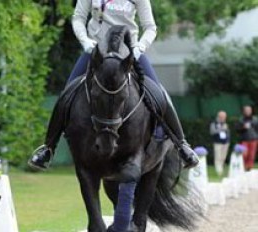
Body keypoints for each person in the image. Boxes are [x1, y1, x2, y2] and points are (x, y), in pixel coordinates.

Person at [28, 0, 199, 170]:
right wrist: (85, 41)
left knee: (159, 94)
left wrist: (140, 47)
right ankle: (48, 148)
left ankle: (182, 146)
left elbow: (150, 27)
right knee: (67, 95)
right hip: (96, 52)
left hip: (129, 53)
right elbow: (78, 18)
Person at [236, 106, 258, 171]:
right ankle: (243, 166)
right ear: (244, 111)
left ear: (251, 111)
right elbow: (237, 130)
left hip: (254, 139)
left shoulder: (255, 119)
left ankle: (249, 168)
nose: (248, 111)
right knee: (244, 154)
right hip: (244, 140)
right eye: (246, 110)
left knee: (252, 155)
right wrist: (243, 128)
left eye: (249, 110)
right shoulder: (241, 120)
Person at [210, 111, 230, 176]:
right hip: (217, 143)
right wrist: (221, 129)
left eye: (224, 117)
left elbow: (228, 132)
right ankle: (219, 171)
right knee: (218, 157)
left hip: (225, 143)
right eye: (222, 116)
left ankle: (221, 169)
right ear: (219, 116)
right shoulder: (214, 123)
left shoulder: (225, 123)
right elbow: (212, 132)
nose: (224, 118)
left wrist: (228, 140)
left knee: (223, 157)